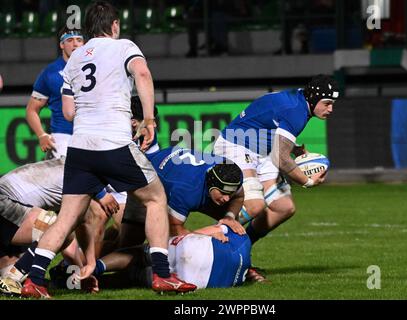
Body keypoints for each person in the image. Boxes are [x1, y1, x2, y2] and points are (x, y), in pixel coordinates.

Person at [21, 1, 196, 299]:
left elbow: (68, 112)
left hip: (80, 148)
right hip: (112, 142)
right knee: (156, 199)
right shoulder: (123, 46)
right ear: (114, 25)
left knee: (66, 219)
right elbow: (142, 74)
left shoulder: (74, 59)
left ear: (87, 29)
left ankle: (34, 279)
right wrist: (149, 118)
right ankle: (163, 276)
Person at [213, 74, 339, 280]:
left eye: (333, 104)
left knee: (284, 207)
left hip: (263, 150)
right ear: (314, 98)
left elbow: (270, 125)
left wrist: (294, 148)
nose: (330, 109)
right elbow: (281, 158)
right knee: (255, 205)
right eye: (327, 103)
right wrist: (307, 181)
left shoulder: (300, 100)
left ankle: (239, 253)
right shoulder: (296, 110)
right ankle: (212, 248)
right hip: (236, 145)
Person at [0, 158, 121, 296]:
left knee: (15, 266)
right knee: (59, 229)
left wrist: (81, 274)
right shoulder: (82, 179)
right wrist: (90, 265)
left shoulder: (75, 168)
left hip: (10, 209)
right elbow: (71, 230)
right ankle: (12, 280)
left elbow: (68, 243)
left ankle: (11, 277)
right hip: (5, 203)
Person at [93, 224, 251, 290]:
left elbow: (199, 232)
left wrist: (215, 231)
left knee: (140, 254)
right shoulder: (239, 280)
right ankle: (85, 284)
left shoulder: (242, 237)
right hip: (195, 279)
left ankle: (91, 269)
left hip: (195, 249)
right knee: (133, 278)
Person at [26, 26, 84, 160]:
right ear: (61, 44)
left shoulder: (96, 68)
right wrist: (41, 135)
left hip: (91, 135)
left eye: (79, 40)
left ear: (84, 44)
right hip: (63, 137)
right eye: (69, 40)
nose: (75, 44)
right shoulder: (50, 73)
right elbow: (31, 110)